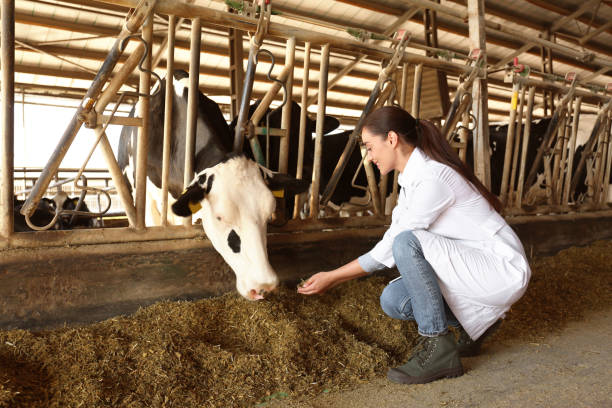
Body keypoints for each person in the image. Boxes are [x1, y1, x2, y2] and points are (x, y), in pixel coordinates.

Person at [297, 106, 531, 385]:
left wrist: (333, 277)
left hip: (500, 270)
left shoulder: (433, 179)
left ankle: (437, 345)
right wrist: (334, 277)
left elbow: (394, 246)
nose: (369, 157)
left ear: (392, 139)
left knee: (407, 242)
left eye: (370, 147)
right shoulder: (411, 182)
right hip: (472, 270)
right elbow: (388, 242)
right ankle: (477, 326)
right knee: (394, 299)